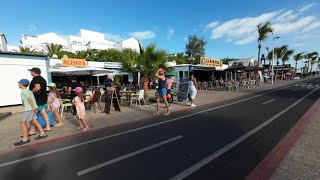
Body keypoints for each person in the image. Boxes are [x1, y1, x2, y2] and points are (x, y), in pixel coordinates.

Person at [15, 79, 48, 146]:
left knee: (22, 123)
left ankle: (25, 139)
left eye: (19, 83)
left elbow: (29, 100)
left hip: (28, 109)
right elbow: (32, 99)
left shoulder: (24, 91)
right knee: (34, 121)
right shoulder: (29, 91)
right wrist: (35, 108)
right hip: (32, 108)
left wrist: (33, 108)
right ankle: (42, 134)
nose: (18, 84)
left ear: (22, 84)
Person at [28, 67, 51, 133]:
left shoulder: (36, 78)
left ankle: (32, 130)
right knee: (43, 113)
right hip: (43, 98)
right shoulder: (43, 79)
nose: (30, 73)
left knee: (32, 114)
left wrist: (30, 92)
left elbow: (37, 87)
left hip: (38, 99)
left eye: (31, 71)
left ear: (33, 72)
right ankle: (48, 126)